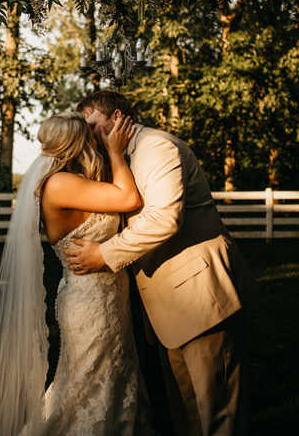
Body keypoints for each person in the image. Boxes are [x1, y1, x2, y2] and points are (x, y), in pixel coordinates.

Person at [67, 90, 251, 436]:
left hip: (201, 294)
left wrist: (103, 255)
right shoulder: (118, 156)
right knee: (188, 410)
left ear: (120, 118)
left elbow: (164, 220)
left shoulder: (157, 148)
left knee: (218, 412)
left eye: (93, 126)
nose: (88, 136)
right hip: (169, 304)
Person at [0, 111, 154, 436]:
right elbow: (128, 198)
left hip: (106, 297)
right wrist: (116, 152)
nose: (96, 140)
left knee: (107, 377)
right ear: (77, 143)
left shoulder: (71, 180)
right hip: (91, 302)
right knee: (86, 384)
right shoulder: (59, 183)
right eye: (90, 136)